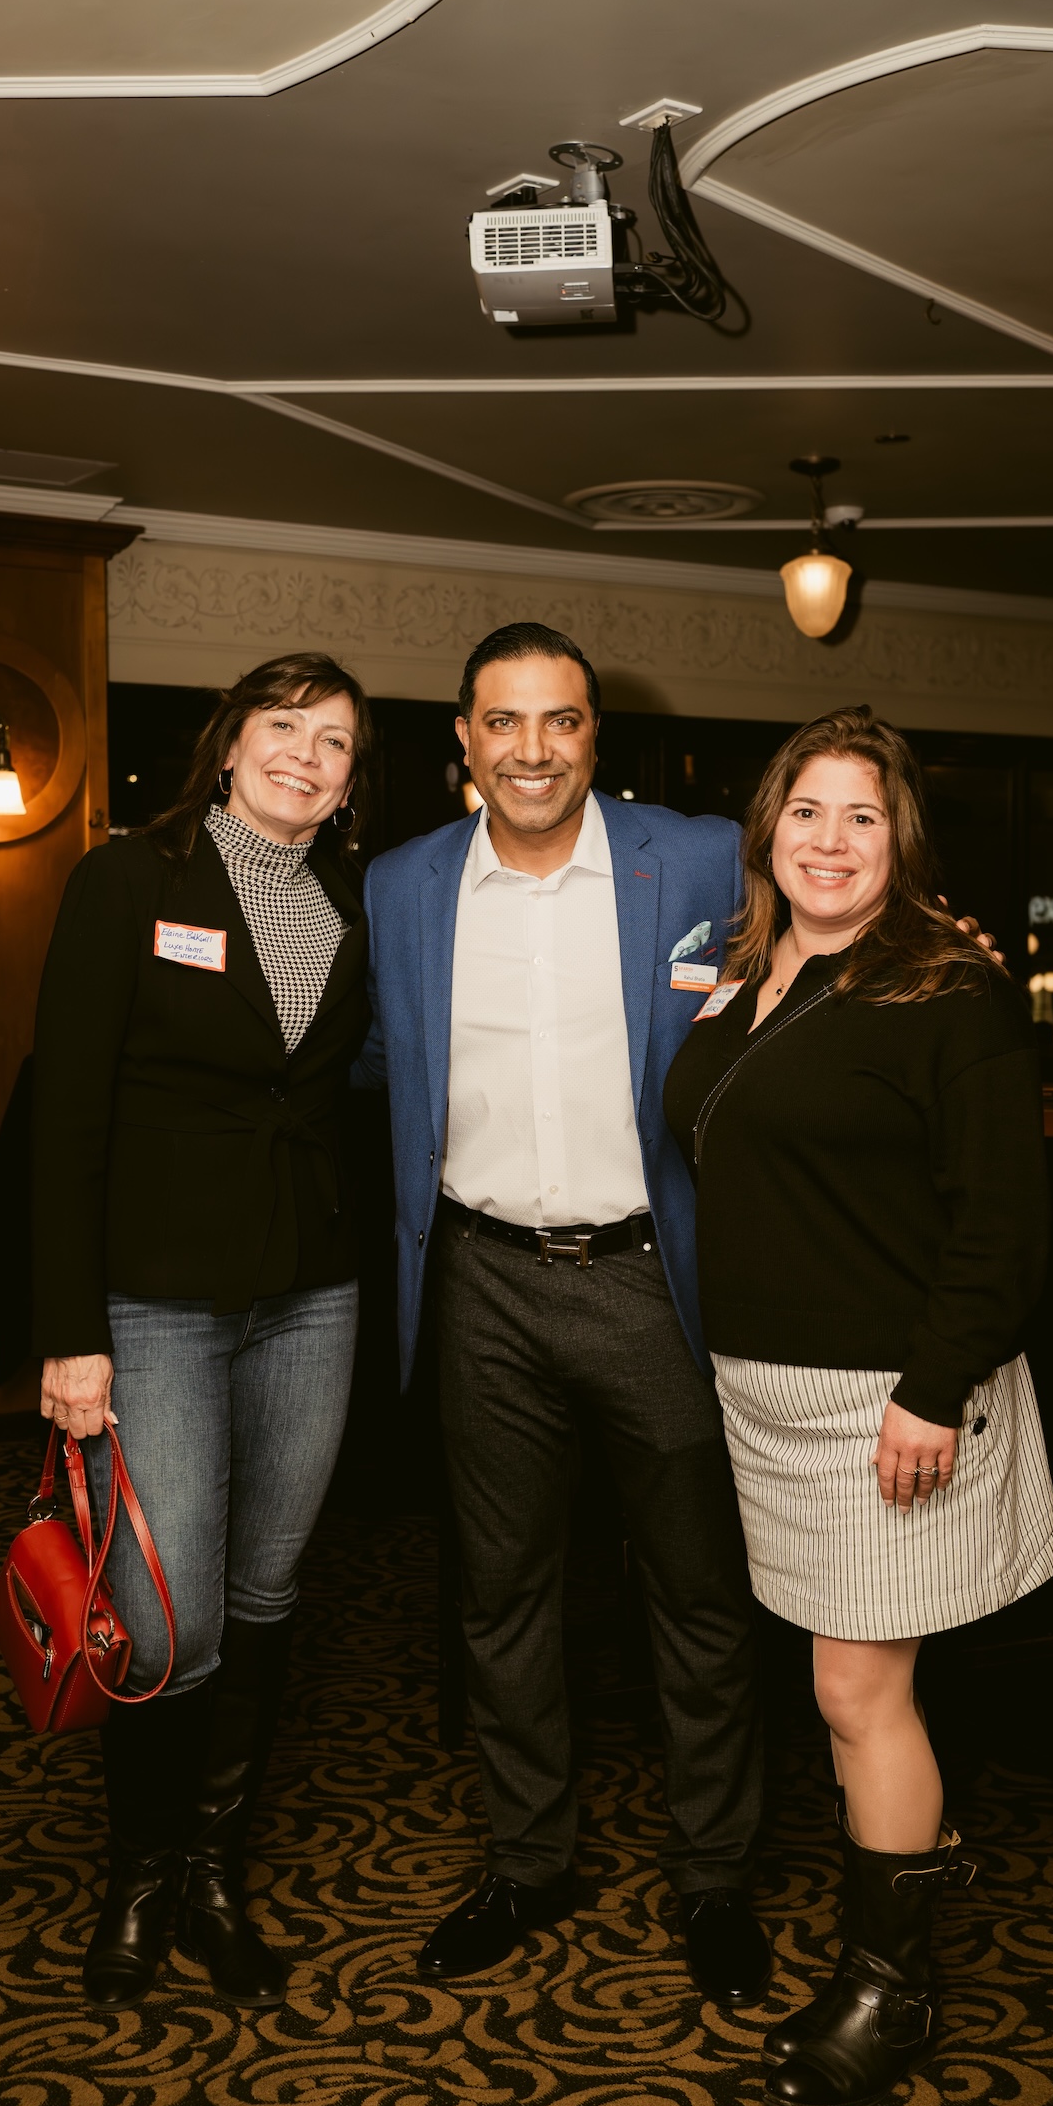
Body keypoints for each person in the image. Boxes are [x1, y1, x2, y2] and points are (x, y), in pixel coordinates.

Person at [357, 622, 771, 2008]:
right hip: (478, 1279)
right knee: (502, 1595)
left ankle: (715, 1874)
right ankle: (530, 1862)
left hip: (649, 1276)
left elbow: (835, 921)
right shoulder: (403, 883)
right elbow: (368, 1059)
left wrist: (941, 953)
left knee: (699, 1593)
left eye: (561, 721)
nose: (532, 750)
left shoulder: (697, 859)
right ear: (463, 740)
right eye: (504, 721)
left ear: (596, 735)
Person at [663, 703, 1053, 2106]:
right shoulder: (741, 969)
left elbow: (1003, 1223)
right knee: (841, 1690)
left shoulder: (950, 990)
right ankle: (885, 1962)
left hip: (891, 1399)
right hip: (766, 1394)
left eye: (864, 817)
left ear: (903, 842)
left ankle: (893, 1990)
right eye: (808, 812)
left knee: (856, 1689)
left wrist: (932, 1392)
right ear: (767, 827)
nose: (830, 841)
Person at [33, 652, 372, 2012]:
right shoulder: (130, 880)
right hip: (156, 1302)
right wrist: (70, 1331)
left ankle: (216, 1875)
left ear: (353, 779)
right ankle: (141, 1879)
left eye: (335, 741)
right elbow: (63, 1114)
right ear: (228, 742)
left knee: (267, 1593)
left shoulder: (352, 899)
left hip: (311, 1294)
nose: (306, 755)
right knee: (163, 1618)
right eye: (283, 726)